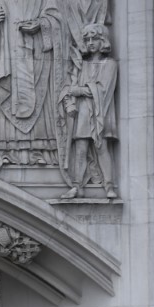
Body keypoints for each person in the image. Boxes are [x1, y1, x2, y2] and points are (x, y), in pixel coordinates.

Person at [0, 0, 70, 173]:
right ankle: (6, 152)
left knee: (38, 109)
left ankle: (40, 153)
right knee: (5, 106)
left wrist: (41, 24)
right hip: (4, 61)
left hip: (36, 58)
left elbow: (57, 19)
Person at [58, 24, 117, 199]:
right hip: (83, 111)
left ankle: (109, 185)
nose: (90, 42)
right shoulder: (82, 65)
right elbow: (71, 86)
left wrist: (80, 90)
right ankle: (77, 185)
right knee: (81, 148)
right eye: (87, 39)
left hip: (101, 110)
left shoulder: (110, 64)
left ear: (103, 41)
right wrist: (72, 91)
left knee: (101, 147)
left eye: (94, 39)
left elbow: (103, 88)